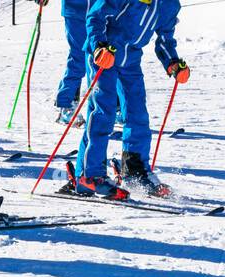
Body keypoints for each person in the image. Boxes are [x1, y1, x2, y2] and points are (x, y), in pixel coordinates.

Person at [73, 0, 187, 200]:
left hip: (130, 60)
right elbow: (95, 17)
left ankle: (134, 170)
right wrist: (99, 46)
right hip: (105, 55)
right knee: (103, 113)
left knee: (138, 115)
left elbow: (165, 37)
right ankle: (91, 175)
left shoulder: (168, 4)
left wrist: (173, 63)